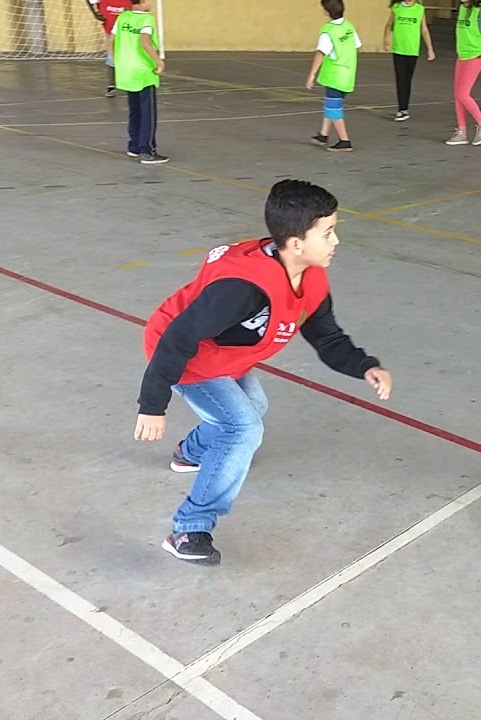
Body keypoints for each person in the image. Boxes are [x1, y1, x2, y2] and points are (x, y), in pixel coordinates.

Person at [135, 179, 393, 564]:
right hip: (185, 357)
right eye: (328, 233)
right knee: (242, 429)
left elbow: (326, 336)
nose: (336, 241)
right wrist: (153, 404)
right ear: (295, 243)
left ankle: (190, 453)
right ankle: (188, 530)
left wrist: (365, 366)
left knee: (253, 404)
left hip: (226, 356)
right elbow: (179, 337)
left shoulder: (310, 277)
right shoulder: (243, 288)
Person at [108, 0, 167, 163]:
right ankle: (147, 151)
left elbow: (111, 40)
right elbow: (144, 42)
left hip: (126, 71)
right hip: (142, 72)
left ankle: (133, 146)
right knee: (148, 113)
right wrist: (158, 62)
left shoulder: (123, 17)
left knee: (134, 110)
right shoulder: (147, 19)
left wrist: (117, 61)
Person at [446, 0, 481, 146]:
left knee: (462, 94)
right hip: (462, 56)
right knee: (458, 95)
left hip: (475, 57)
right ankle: (461, 132)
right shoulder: (462, 8)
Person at [307, 0, 360, 152]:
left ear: (326, 11)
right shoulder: (349, 26)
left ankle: (345, 140)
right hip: (348, 74)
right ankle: (323, 135)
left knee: (333, 108)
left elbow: (320, 53)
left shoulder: (328, 31)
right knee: (332, 104)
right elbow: (357, 45)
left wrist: (311, 75)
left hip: (335, 75)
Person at [383, 0, 436, 122]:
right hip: (399, 50)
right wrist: (386, 39)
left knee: (407, 79)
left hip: (412, 50)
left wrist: (430, 49)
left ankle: (404, 107)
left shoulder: (419, 9)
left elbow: (424, 30)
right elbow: (389, 24)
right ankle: (402, 109)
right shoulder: (396, 8)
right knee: (401, 79)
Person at [84, 0, 128, 96]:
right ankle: (111, 85)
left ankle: (132, 82)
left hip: (128, 24)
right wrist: (95, 13)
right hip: (111, 23)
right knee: (111, 55)